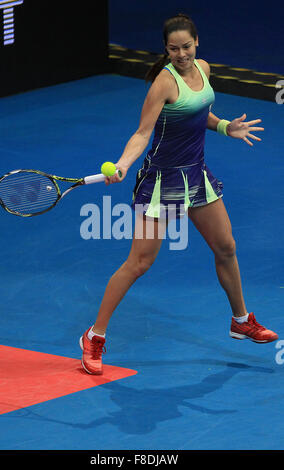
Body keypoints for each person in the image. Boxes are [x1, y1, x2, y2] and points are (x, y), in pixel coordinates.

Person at [79, 13, 278, 375]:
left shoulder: (203, 68)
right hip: (161, 181)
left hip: (195, 176)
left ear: (196, 42)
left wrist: (223, 127)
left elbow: (199, 111)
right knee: (139, 263)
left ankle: (240, 320)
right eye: (174, 49)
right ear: (166, 49)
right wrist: (123, 164)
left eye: (186, 47)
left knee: (226, 247)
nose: (182, 54)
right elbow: (143, 133)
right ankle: (94, 336)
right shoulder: (162, 84)